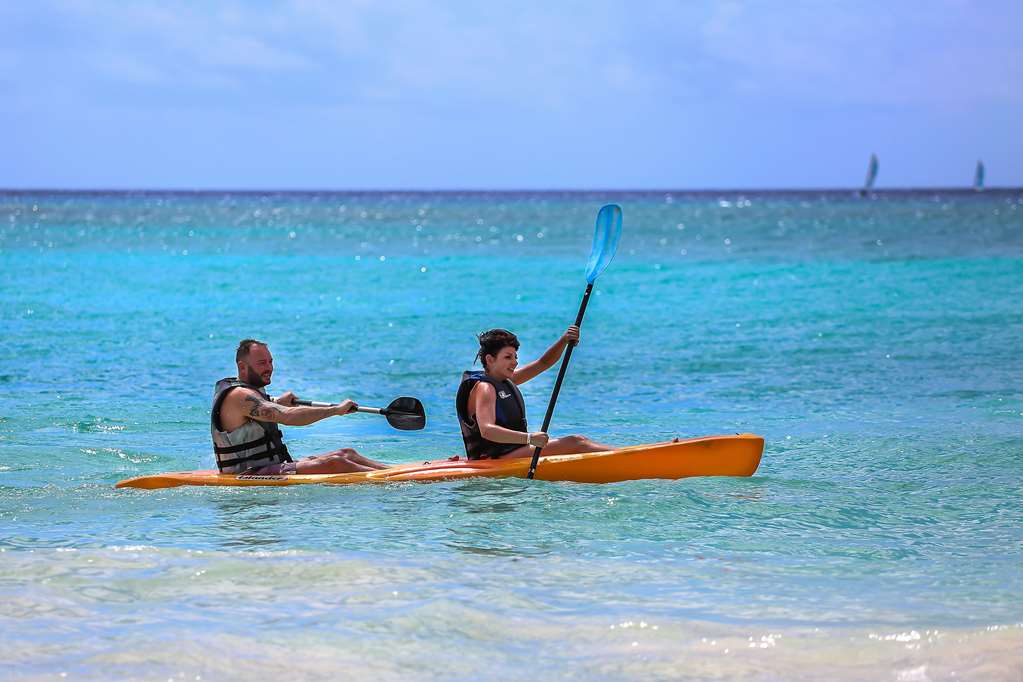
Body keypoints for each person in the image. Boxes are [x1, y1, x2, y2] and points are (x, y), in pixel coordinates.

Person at [210, 339, 389, 475]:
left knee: (346, 454)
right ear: (242, 366)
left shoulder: (251, 393)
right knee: (335, 463)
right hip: (247, 473)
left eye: (270, 361)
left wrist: (278, 402)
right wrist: (336, 410)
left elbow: (260, 411)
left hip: (269, 467)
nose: (269, 368)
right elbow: (288, 417)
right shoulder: (239, 395)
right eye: (262, 363)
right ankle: (391, 478)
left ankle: (393, 470)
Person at [455, 327, 613, 460]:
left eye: (515, 356)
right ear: (490, 360)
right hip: (495, 459)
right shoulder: (485, 388)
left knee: (577, 442)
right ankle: (625, 457)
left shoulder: (506, 380)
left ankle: (621, 456)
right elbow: (487, 430)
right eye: (508, 357)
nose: (515, 362)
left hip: (510, 453)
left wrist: (564, 340)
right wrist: (530, 438)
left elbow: (543, 363)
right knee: (576, 442)